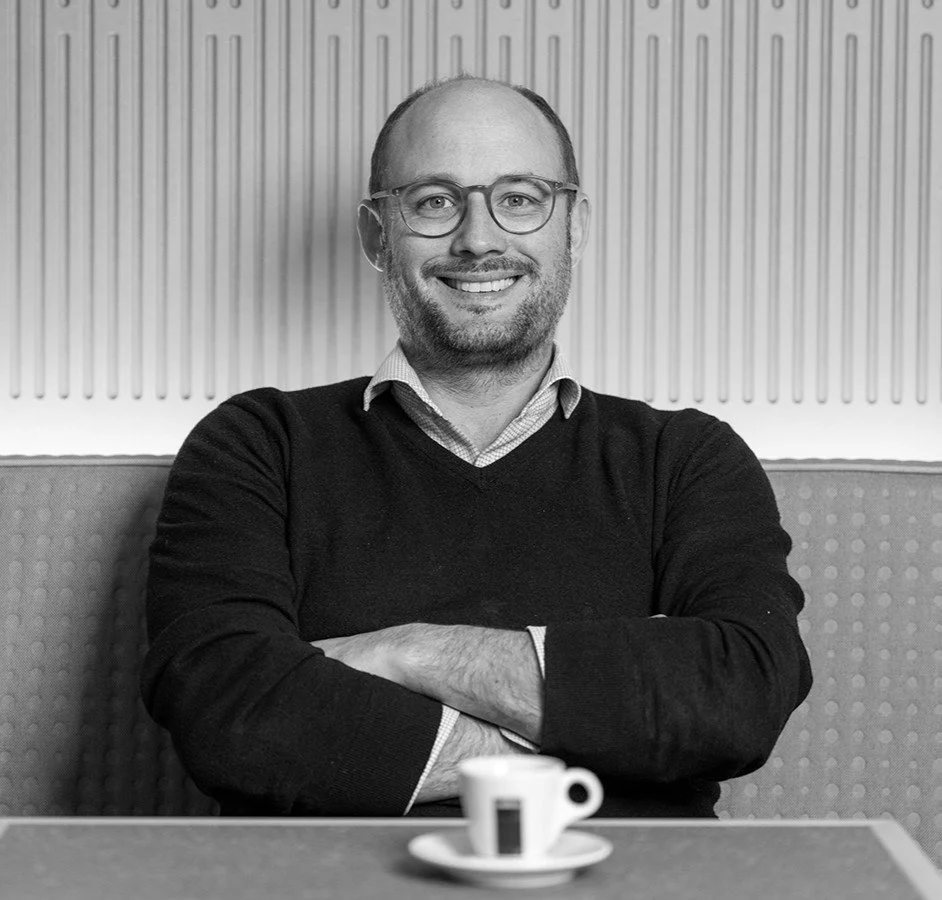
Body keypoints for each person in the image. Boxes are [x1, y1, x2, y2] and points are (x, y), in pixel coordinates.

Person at [141, 75, 812, 818]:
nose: (479, 238)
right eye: (434, 201)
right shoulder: (258, 445)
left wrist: (409, 652)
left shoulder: (684, 458)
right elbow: (225, 706)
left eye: (520, 198)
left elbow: (741, 691)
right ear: (376, 235)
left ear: (574, 226)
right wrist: (585, 732)